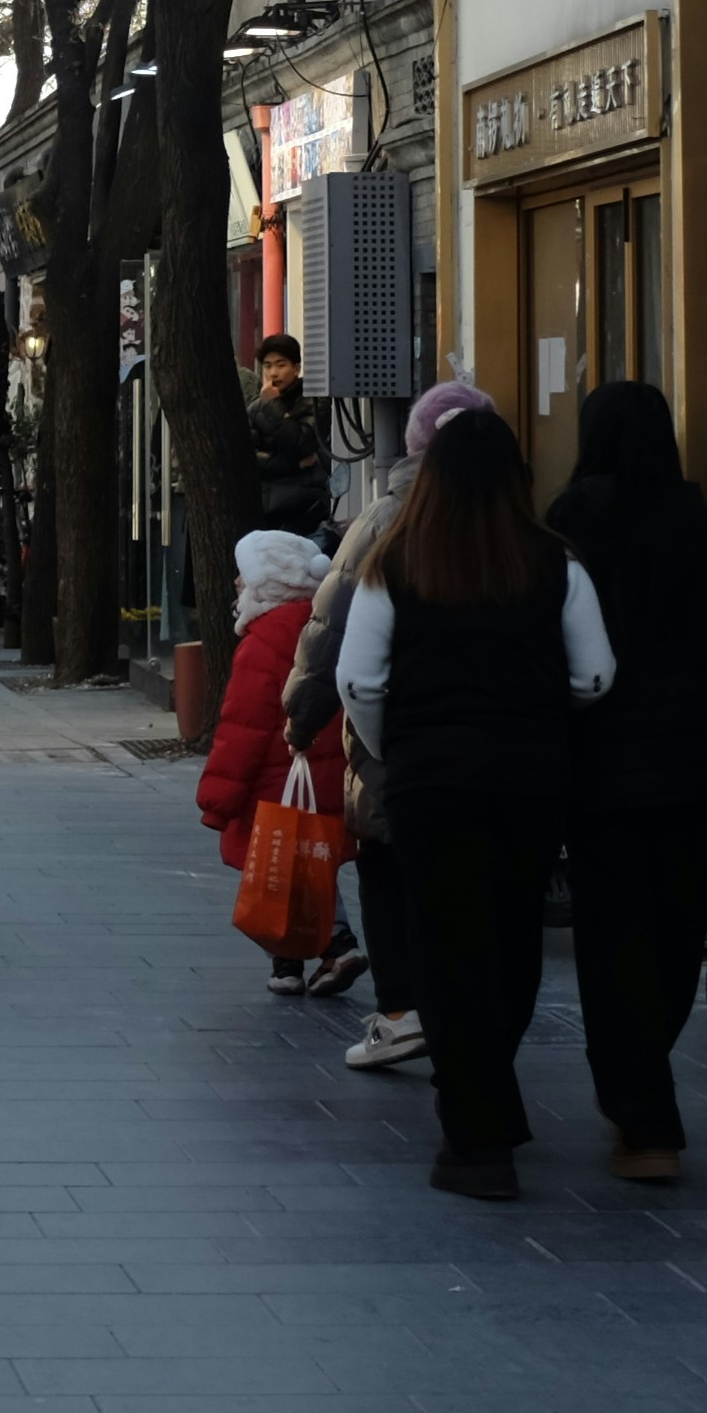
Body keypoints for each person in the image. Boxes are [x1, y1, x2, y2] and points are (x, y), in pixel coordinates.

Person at [336, 405, 613, 1199]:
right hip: (529, 777)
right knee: (512, 937)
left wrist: (398, 744)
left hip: (430, 780)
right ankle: (485, 1081)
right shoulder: (555, 564)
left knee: (447, 946)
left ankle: (476, 1132)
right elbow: (594, 675)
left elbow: (358, 679)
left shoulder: (397, 562)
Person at [548, 381, 707, 1183]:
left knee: (614, 944)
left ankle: (642, 1116)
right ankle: (648, 1098)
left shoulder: (573, 521)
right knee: (676, 936)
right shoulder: (695, 524)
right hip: (689, 777)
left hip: (601, 776)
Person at [291, 377, 496, 1073]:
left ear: (414, 446)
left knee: (386, 863)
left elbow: (335, 634)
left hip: (397, 738)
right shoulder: (517, 523)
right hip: (498, 749)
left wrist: (303, 717)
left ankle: (403, 1010)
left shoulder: (385, 521)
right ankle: (466, 1014)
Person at [198, 528, 360, 995]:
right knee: (310, 860)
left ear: (265, 583)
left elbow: (242, 726)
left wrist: (218, 797)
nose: (237, 586)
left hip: (277, 779)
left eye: (243, 577)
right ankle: (290, 963)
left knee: (275, 866)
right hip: (327, 770)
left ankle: (334, 945)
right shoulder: (325, 627)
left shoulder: (263, 640)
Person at [241, 335, 332, 540]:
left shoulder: (315, 402)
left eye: (281, 365)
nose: (274, 373)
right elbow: (248, 460)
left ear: (297, 368)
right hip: (267, 511)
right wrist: (295, 465)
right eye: (268, 366)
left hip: (307, 510)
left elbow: (301, 444)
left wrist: (274, 407)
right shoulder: (255, 409)